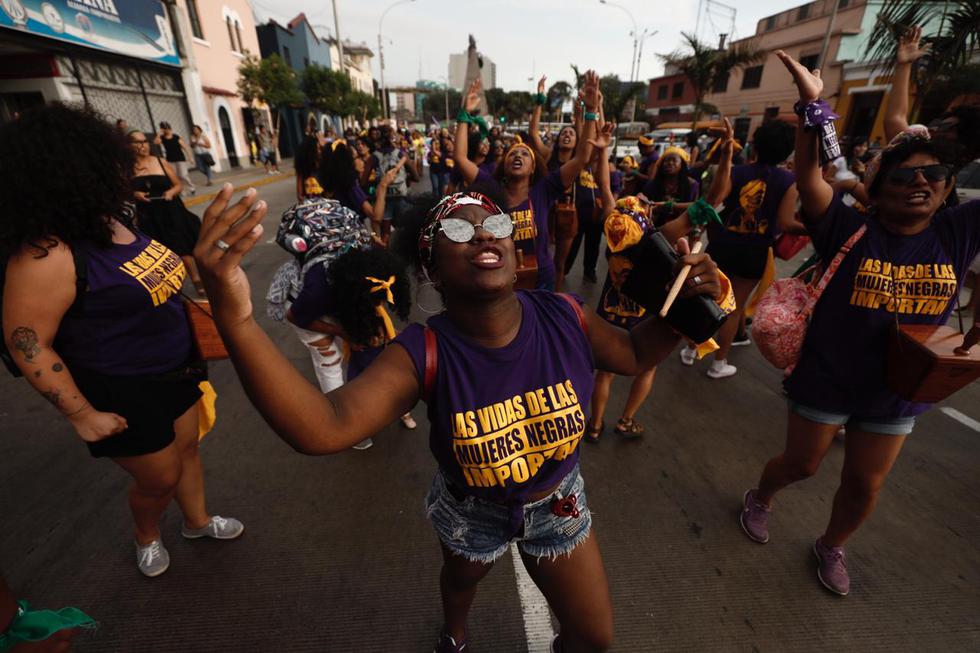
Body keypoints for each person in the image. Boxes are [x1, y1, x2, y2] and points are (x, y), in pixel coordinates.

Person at [192, 160, 724, 652]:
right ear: (432, 270)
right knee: (461, 580)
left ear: (515, 254)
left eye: (494, 227)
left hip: (558, 503)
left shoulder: (567, 316)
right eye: (458, 230)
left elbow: (633, 352)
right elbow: (325, 428)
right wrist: (236, 319)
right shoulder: (422, 352)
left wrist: (687, 311)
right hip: (472, 511)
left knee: (594, 638)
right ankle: (454, 632)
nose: (482, 236)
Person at [738, 50, 980, 598]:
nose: (919, 182)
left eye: (933, 174)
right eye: (904, 173)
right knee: (801, 464)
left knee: (865, 483)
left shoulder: (957, 234)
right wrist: (811, 104)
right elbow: (809, 173)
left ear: (947, 187)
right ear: (880, 181)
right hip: (829, 374)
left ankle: (831, 544)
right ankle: (761, 497)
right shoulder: (845, 224)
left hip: (898, 387)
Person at [1, 105, 243, 578]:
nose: (122, 168)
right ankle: (147, 535)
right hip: (123, 388)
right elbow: (26, 342)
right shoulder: (45, 255)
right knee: (160, 477)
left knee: (188, 448)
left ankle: (196, 522)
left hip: (178, 366)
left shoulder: (117, 220)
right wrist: (80, 413)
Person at [679, 118, 804, 378]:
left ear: (755, 145)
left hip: (723, 244)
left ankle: (691, 350)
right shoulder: (788, 181)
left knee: (706, 297)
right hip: (755, 252)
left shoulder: (737, 172)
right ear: (786, 151)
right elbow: (785, 222)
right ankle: (718, 363)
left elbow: (716, 199)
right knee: (733, 307)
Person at [454, 74, 601, 290]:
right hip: (501, 276)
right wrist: (464, 114)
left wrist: (591, 112)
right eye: (513, 154)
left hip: (541, 278)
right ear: (503, 165)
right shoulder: (491, 189)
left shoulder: (544, 190)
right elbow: (460, 158)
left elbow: (581, 158)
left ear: (533, 168)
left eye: (525, 155)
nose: (518, 157)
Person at [286, 245, 418, 450]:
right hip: (299, 308)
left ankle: (353, 410)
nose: (379, 305)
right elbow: (295, 317)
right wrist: (341, 332)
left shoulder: (365, 275)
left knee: (349, 355)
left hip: (340, 300)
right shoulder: (318, 292)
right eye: (376, 301)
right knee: (330, 361)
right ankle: (344, 425)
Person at [128, 129, 206, 296]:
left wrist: (171, 192)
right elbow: (121, 190)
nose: (143, 145)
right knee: (159, 253)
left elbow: (178, 185)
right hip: (148, 214)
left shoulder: (161, 161)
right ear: (129, 146)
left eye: (144, 141)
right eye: (138, 142)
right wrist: (135, 194)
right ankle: (169, 288)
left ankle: (197, 280)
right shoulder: (127, 167)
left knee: (182, 248)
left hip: (171, 210)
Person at [640, 146, 700, 226]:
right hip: (656, 226)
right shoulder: (652, 185)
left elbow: (696, 207)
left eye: (674, 160)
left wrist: (669, 206)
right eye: (667, 160)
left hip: (683, 226)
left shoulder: (692, 184)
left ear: (682, 164)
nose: (670, 163)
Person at [158, 122, 196, 195]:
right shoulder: (162, 138)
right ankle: (181, 190)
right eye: (164, 129)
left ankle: (191, 187)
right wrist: (159, 133)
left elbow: (185, 147)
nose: (166, 131)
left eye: (167, 129)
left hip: (180, 159)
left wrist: (190, 157)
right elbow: (156, 142)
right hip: (170, 160)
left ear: (170, 129)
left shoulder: (176, 137)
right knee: (175, 176)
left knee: (183, 175)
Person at [294, 134, 323, 201]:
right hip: (310, 200)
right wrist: (300, 197)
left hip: (323, 200)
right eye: (318, 148)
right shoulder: (303, 166)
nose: (319, 151)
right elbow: (299, 183)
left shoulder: (321, 161)